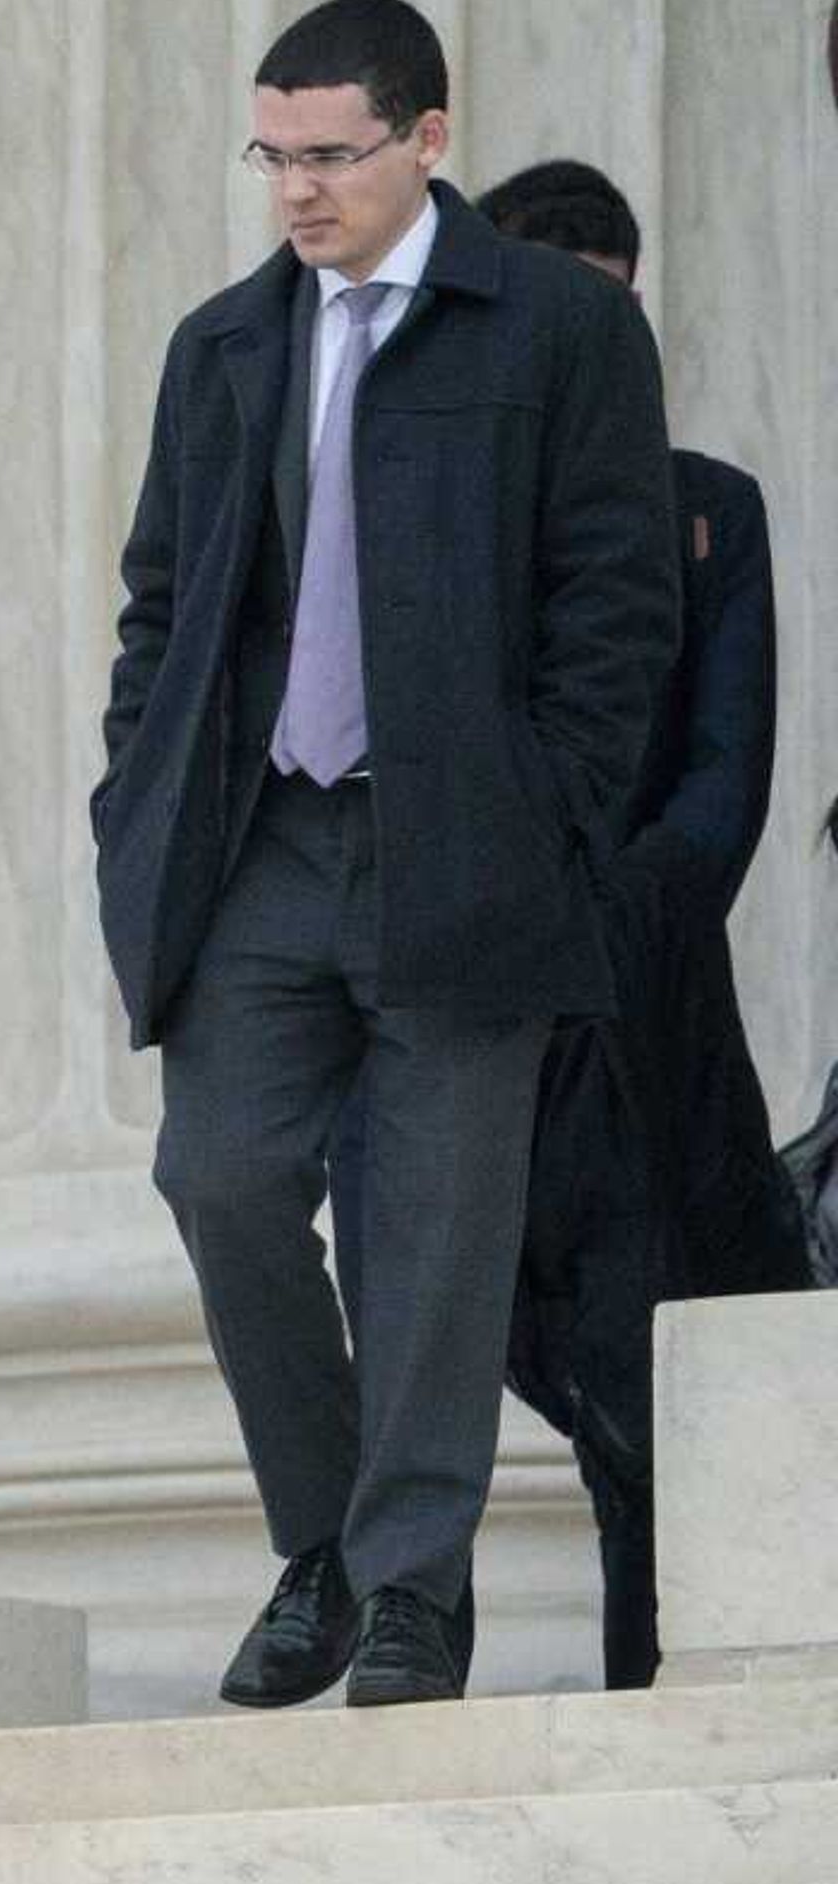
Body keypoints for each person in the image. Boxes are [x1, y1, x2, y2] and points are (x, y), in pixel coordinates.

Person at [99, 0, 680, 1712]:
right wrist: (136, 786)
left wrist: (550, 805)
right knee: (219, 1177)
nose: (296, 190)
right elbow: (159, 603)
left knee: (434, 1235)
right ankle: (328, 1548)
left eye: (330, 154)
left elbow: (619, 606)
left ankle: (414, 1592)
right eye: (273, 154)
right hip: (265, 844)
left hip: (470, 851)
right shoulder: (224, 348)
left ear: (429, 140)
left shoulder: (561, 333)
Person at [328, 161, 810, 1690]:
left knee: (657, 1406)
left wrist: (592, 928)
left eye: (612, 309)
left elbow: (722, 791)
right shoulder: (400, 521)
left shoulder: (710, 514)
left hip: (647, 1016)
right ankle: (415, 1640)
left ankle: (652, 1698)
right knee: (463, 1344)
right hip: (463, 1006)